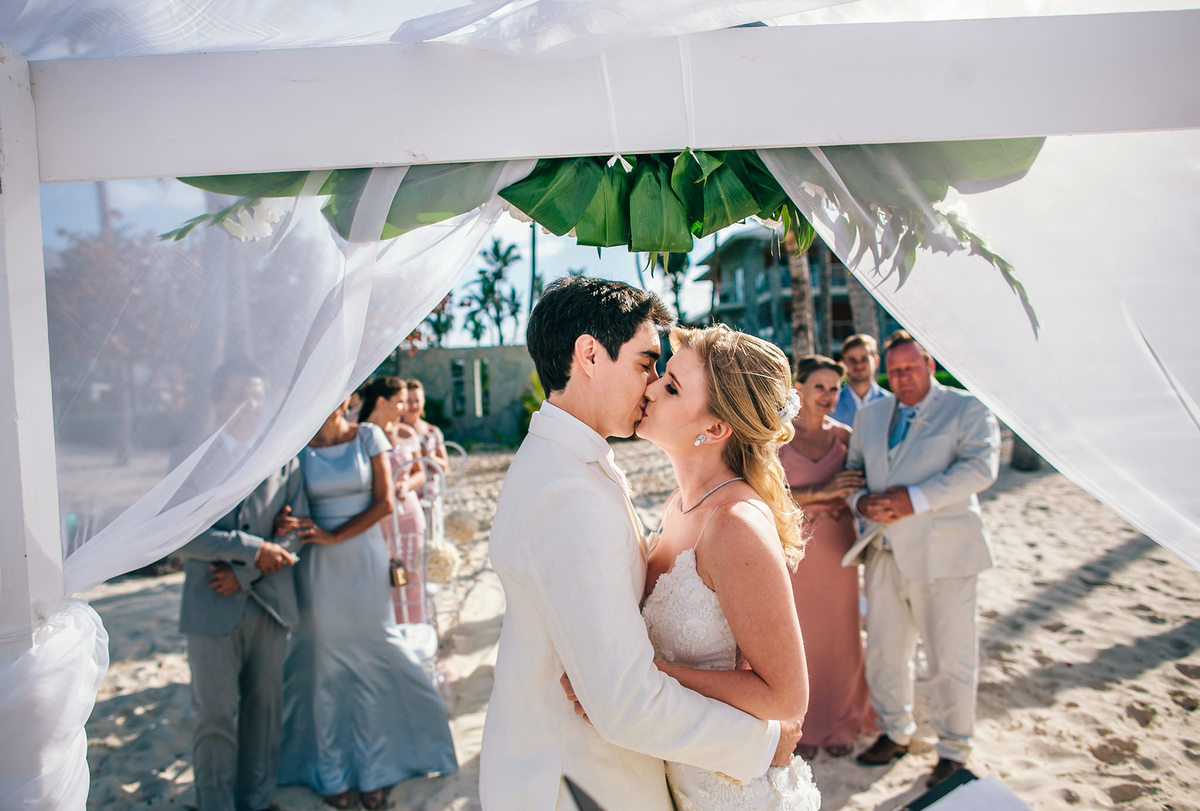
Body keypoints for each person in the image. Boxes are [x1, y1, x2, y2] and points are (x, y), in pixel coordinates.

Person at [479, 277, 800, 811]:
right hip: (577, 777)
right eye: (646, 363)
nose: (651, 384)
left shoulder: (569, 463)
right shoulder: (568, 489)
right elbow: (626, 702)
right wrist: (763, 743)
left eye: (666, 378)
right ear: (589, 355)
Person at [634, 325, 821, 809]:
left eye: (672, 386)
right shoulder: (681, 504)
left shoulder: (735, 523)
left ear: (715, 429)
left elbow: (785, 698)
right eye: (661, 374)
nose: (650, 388)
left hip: (737, 791)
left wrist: (651, 677)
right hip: (684, 775)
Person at [278, 398, 457, 810]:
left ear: (348, 396)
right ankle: (331, 771)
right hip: (316, 568)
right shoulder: (296, 443)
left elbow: (385, 503)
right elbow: (284, 502)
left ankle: (376, 770)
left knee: (373, 653)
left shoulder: (368, 436)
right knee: (323, 665)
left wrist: (333, 537)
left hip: (362, 557)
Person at [844, 330, 1000, 789]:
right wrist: (860, 504)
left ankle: (953, 750)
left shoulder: (967, 407)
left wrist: (915, 498)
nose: (904, 377)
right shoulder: (870, 417)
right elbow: (853, 477)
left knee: (949, 658)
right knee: (885, 654)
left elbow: (980, 468)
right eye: (896, 371)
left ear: (931, 365)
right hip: (882, 555)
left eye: (912, 368)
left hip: (945, 557)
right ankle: (896, 731)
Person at [178, 358, 308, 811]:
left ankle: (256, 801)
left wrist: (246, 570)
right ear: (217, 400)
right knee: (214, 716)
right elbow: (181, 534)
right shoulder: (192, 457)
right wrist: (252, 548)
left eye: (256, 393)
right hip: (209, 606)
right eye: (238, 394)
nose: (249, 403)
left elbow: (296, 532)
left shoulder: (283, 455)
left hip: (270, 604)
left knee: (265, 712)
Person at [780, 355, 875, 760]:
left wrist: (853, 500)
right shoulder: (775, 437)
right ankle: (802, 726)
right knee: (800, 638)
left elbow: (865, 486)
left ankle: (841, 721)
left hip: (838, 545)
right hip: (795, 549)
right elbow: (768, 498)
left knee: (841, 636)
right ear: (797, 389)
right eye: (820, 386)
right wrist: (823, 492)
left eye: (835, 388)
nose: (829, 395)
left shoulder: (847, 437)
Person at [358, 376, 429, 624]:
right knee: (381, 579)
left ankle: (416, 630)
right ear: (381, 401)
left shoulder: (405, 432)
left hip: (408, 516)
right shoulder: (359, 435)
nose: (404, 408)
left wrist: (405, 485)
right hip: (377, 519)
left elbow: (420, 473)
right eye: (399, 402)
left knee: (414, 577)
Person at [829, 334, 891, 428]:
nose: (858, 365)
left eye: (864, 358)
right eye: (852, 360)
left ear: (876, 361)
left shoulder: (891, 404)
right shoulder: (830, 403)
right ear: (843, 363)